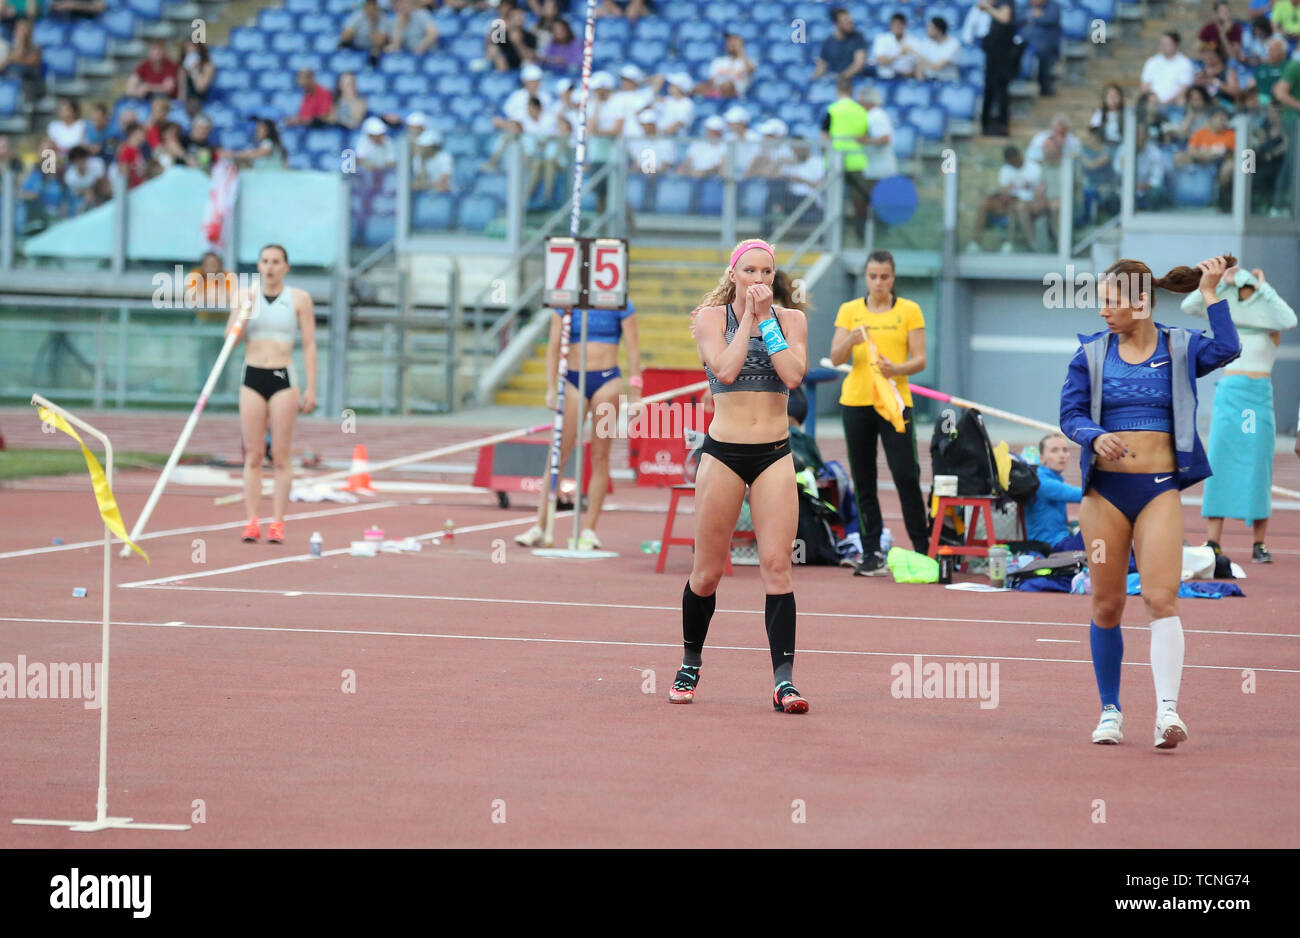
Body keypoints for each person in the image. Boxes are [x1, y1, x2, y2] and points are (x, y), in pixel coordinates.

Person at [1059, 254, 1240, 748]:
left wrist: (1209, 292)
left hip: (1159, 489)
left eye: (1111, 301)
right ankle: (1111, 711)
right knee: (1107, 604)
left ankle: (1167, 713)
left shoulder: (1180, 347)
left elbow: (1228, 346)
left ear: (1140, 303)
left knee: (1161, 598)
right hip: (1105, 496)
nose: (1102, 311)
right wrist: (1094, 436)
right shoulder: (1091, 355)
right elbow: (1069, 414)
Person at [673, 239, 810, 713]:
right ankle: (690, 662)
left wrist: (768, 320)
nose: (759, 279)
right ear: (733, 274)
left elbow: (792, 377)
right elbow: (726, 371)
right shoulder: (710, 318)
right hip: (724, 454)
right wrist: (750, 319)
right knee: (708, 572)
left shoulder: (791, 320)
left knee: (777, 567)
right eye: (749, 270)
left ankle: (784, 681)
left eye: (767, 272)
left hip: (774, 453)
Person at [1181, 267, 1296, 563]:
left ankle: (1259, 543)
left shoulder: (1271, 325)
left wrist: (1263, 286)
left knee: (1258, 469)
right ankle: (1213, 541)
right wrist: (1216, 284)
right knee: (1220, 465)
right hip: (1229, 397)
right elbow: (1190, 305)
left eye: (1248, 292)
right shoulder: (1229, 325)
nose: (1244, 295)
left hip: (1257, 398)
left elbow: (1289, 318)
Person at [829, 249, 931, 576]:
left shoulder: (909, 311)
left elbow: (920, 359)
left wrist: (895, 368)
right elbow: (834, 357)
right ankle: (871, 552)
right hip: (856, 402)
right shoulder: (850, 311)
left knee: (905, 474)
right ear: (865, 277)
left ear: (893, 277)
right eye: (872, 276)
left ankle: (923, 548)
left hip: (894, 403)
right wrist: (851, 342)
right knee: (864, 477)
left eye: (884, 276)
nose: (878, 282)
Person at [514, 297, 643, 550]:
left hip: (607, 380)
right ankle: (540, 526)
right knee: (557, 455)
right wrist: (551, 388)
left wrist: (636, 392)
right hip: (572, 381)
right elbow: (553, 347)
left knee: (600, 456)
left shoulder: (621, 303)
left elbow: (633, 351)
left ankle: (589, 531)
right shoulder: (566, 302)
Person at [226, 244, 318, 544]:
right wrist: (243, 312)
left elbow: (309, 344)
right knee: (252, 455)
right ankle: (252, 521)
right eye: (265, 261)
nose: (270, 267)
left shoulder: (300, 299)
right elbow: (231, 339)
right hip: (252, 374)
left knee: (280, 455)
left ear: (286, 267)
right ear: (258, 265)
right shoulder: (244, 296)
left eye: (276, 262)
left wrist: (311, 386)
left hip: (283, 376)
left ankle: (277, 522)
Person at [1025, 433, 1083, 551]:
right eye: (1054, 450)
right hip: (1051, 545)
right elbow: (1082, 495)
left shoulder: (1051, 478)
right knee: (1101, 539)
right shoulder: (1042, 481)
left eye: (1065, 450)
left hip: (1061, 539)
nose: (1061, 455)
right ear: (1042, 458)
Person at [979, 0, 1016, 136]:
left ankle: (1002, 125)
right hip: (992, 55)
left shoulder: (1005, 2)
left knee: (1001, 89)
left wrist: (988, 7)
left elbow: (1004, 18)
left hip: (1002, 56)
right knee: (989, 89)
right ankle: (986, 124)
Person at [1140, 32, 1196, 107]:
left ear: (1176, 45)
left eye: (1167, 44)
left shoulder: (1185, 63)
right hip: (1153, 104)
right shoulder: (1152, 61)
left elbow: (1185, 87)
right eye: (1162, 44)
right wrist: (1151, 96)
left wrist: (1168, 102)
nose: (1163, 47)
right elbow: (1145, 85)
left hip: (1175, 105)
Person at [814, 6, 868, 82]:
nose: (851, 24)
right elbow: (821, 66)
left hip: (853, 82)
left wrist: (841, 78)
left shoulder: (858, 38)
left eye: (851, 21)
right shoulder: (827, 42)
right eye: (847, 22)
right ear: (837, 24)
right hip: (835, 82)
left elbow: (859, 64)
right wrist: (814, 79)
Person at [870, 13, 917, 80]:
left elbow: (917, 63)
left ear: (905, 25)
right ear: (890, 25)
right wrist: (900, 54)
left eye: (899, 25)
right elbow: (882, 61)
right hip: (887, 78)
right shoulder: (882, 39)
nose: (897, 27)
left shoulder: (913, 41)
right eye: (894, 24)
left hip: (907, 78)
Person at [177, 39, 215, 106]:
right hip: (189, 104)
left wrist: (195, 71)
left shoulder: (208, 66)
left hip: (204, 102)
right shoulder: (183, 69)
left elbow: (200, 88)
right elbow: (182, 92)